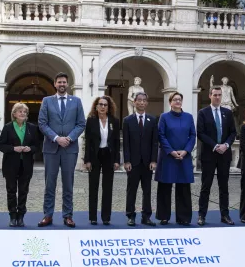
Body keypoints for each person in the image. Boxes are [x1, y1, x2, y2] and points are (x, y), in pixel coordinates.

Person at [37, 72, 86, 228]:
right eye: (59, 82)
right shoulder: (46, 101)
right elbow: (42, 123)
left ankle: (68, 216)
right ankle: (48, 215)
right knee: (49, 183)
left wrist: (69, 138)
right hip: (51, 148)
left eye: (64, 82)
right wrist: (57, 138)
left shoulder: (76, 101)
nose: (62, 84)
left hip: (70, 149)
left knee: (68, 183)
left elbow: (81, 124)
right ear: (55, 84)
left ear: (67, 84)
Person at [197, 86, 236, 226]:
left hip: (224, 155)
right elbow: (200, 133)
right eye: (215, 94)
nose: (218, 97)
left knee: (223, 186)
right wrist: (215, 145)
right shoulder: (203, 113)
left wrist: (226, 145)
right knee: (205, 186)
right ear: (210, 95)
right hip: (209, 154)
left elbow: (233, 132)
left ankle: (225, 215)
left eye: (219, 95)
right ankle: (202, 215)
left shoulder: (227, 113)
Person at [155, 92, 196, 226]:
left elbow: (192, 135)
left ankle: (183, 217)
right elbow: (161, 135)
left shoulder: (189, 117)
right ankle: (164, 216)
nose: (178, 101)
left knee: (183, 188)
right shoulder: (164, 117)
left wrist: (185, 151)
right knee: (165, 187)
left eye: (179, 99)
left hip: (184, 157)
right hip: (168, 157)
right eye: (175, 99)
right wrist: (171, 151)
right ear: (170, 102)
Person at [0, 103, 38, 227]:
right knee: (11, 191)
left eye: (24, 112)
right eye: (19, 111)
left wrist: (30, 149)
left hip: (26, 165)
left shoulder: (32, 127)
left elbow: (37, 146)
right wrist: (13, 149)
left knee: (23, 191)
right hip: (10, 165)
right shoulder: (8, 127)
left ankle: (21, 216)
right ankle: (12, 216)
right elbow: (1, 145)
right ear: (14, 114)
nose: (22, 113)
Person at [123, 92, 158, 227]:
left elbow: (155, 143)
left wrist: (154, 160)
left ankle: (146, 216)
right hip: (133, 162)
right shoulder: (128, 120)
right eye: (139, 100)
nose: (142, 102)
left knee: (147, 190)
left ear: (147, 103)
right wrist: (126, 161)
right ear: (134, 102)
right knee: (132, 189)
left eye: (144, 100)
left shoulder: (152, 120)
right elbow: (126, 143)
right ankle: (130, 215)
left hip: (147, 162)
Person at [84, 96, 120, 226]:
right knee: (93, 186)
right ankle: (93, 217)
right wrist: (87, 160)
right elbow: (87, 141)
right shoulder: (91, 121)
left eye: (105, 105)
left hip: (109, 156)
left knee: (107, 187)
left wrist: (117, 160)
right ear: (96, 106)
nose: (103, 107)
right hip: (95, 156)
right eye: (100, 104)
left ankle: (106, 217)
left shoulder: (114, 121)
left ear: (108, 107)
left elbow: (116, 142)